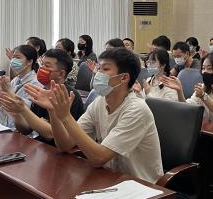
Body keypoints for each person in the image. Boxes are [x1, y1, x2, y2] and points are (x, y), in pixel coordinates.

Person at [28, 48, 164, 183]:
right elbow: (65, 145)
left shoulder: (137, 110)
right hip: (109, 177)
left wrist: (65, 117)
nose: (98, 73)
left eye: (105, 69)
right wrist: (53, 111)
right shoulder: (100, 102)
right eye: (99, 68)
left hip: (140, 184)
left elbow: (99, 158)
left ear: (123, 78)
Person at [0, 49, 84, 144]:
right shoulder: (42, 91)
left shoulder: (68, 95)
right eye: (42, 64)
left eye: (47, 66)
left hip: (56, 149)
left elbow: (50, 134)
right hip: (38, 145)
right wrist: (16, 114)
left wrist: (24, 110)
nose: (41, 68)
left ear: (61, 74)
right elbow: (27, 129)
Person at [163, 52, 213, 124]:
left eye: (209, 68)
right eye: (203, 68)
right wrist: (179, 90)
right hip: (211, 130)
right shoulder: (203, 87)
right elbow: (188, 108)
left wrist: (204, 96)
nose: (204, 72)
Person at [0, 45, 42, 129]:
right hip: (2, 126)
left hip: (20, 129)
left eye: (17, 57)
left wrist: (8, 92)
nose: (13, 61)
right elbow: (5, 107)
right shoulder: (16, 80)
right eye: (13, 57)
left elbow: (25, 109)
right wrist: (1, 92)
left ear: (29, 62)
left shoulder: (36, 84)